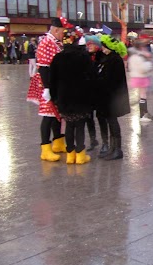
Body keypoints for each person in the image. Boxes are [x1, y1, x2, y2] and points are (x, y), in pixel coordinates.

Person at [26, 17, 72, 162]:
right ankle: (45, 148)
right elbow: (44, 67)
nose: (63, 34)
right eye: (62, 31)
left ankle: (58, 142)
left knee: (57, 114)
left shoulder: (56, 42)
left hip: (56, 83)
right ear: (56, 29)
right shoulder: (46, 42)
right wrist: (47, 88)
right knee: (48, 115)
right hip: (48, 83)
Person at [50, 33, 93, 165]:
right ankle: (80, 155)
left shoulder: (57, 58)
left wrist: (54, 97)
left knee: (69, 125)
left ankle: (70, 155)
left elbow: (53, 80)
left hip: (64, 97)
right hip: (81, 97)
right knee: (80, 126)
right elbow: (91, 77)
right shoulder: (84, 57)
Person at [95, 35, 130, 160]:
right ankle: (112, 148)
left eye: (105, 47)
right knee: (110, 121)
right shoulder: (108, 58)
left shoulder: (115, 60)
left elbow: (111, 79)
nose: (103, 49)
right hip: (107, 97)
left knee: (112, 121)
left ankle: (117, 149)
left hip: (112, 97)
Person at [128, 37, 153, 123]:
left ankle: (144, 113)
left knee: (142, 95)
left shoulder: (133, 55)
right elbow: (143, 68)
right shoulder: (139, 56)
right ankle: (143, 114)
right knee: (143, 95)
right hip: (141, 77)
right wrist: (149, 63)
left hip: (136, 77)